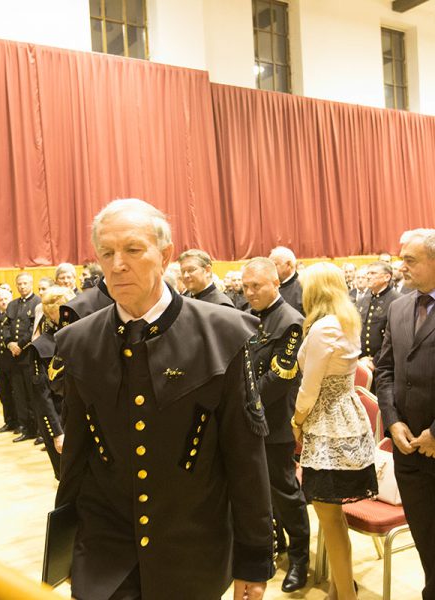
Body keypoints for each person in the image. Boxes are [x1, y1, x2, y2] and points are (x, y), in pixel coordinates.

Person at [54, 199, 275, 600]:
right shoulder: (78, 341)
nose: (118, 264)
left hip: (192, 551)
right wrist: (63, 550)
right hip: (105, 551)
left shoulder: (221, 334)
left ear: (165, 254)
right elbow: (76, 457)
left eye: (133, 249)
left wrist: (253, 560)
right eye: (107, 253)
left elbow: (246, 458)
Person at [291, 262, 377, 600]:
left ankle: (345, 595)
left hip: (328, 426)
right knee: (334, 518)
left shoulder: (324, 327)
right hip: (346, 420)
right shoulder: (345, 319)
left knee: (330, 519)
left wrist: (297, 421)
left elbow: (309, 388)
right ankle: (338, 589)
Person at [242, 258, 310, 594]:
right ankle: (276, 542)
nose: (249, 292)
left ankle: (300, 558)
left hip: (274, 420)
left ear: (275, 283)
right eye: (246, 286)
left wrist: (244, 402)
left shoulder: (290, 321)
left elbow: (279, 378)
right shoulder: (245, 314)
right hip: (247, 418)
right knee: (259, 489)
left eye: (256, 286)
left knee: (285, 491)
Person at [376, 228, 435, 600]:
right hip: (408, 450)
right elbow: (385, 370)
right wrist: (393, 420)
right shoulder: (398, 307)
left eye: (410, 260)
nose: (402, 267)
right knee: (425, 539)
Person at [30, 285, 74, 478]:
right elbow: (43, 396)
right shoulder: (41, 347)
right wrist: (57, 432)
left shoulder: (80, 337)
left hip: (82, 419)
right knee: (65, 477)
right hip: (59, 419)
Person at [3, 272, 41, 442]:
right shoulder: (12, 304)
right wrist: (9, 343)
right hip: (14, 357)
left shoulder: (38, 302)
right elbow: (5, 326)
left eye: (25, 283)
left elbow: (34, 328)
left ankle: (38, 429)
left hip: (29, 355)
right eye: (19, 284)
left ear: (31, 284)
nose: (22, 286)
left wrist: (20, 345)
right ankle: (26, 428)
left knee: (32, 394)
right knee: (19, 395)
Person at [356, 261, 400, 374]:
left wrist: (375, 361)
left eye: (373, 273)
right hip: (361, 362)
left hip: (385, 366)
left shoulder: (397, 300)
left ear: (387, 277)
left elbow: (395, 339)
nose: (368, 276)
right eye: (368, 273)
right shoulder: (363, 300)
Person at [0, 288, 17, 434]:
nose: (4, 302)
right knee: (4, 393)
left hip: (13, 361)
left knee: (16, 393)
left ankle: (20, 422)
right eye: (1, 300)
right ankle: (9, 421)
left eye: (6, 299)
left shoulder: (15, 316)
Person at [269, 246, 303, 315]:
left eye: (274, 265)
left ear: (288, 265)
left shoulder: (303, 287)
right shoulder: (269, 286)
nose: (270, 269)